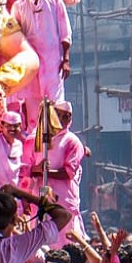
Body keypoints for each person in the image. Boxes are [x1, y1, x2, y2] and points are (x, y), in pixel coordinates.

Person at [10, 0, 72, 126]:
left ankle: (54, 146)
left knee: (55, 109)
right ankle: (34, 149)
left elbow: (65, 33)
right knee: (33, 115)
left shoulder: (55, 2)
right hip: (31, 65)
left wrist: (65, 59)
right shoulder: (19, 6)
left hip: (53, 64)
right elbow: (13, 36)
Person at [24, 101, 85, 246]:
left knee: (65, 246)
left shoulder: (73, 142)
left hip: (63, 203)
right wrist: (36, 170)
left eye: (67, 117)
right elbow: (26, 169)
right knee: (40, 244)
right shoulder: (35, 139)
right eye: (59, 115)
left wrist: (46, 172)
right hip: (40, 200)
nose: (63, 120)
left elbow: (69, 172)